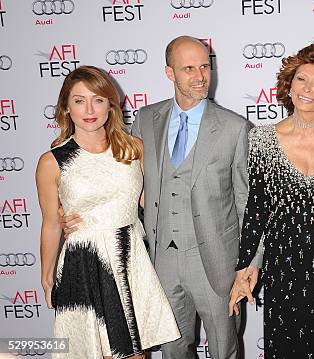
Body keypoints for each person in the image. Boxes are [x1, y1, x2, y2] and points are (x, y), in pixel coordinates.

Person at [62, 36, 261, 359]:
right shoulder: (145, 119)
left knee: (225, 350)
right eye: (188, 69)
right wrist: (74, 209)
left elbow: (248, 204)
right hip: (159, 262)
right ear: (170, 73)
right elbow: (117, 178)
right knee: (172, 349)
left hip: (217, 264)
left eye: (205, 67)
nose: (200, 76)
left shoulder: (234, 128)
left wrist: (248, 265)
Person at [228, 44, 314, 358]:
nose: (307, 89)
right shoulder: (261, 138)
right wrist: (245, 266)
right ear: (289, 85)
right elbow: (257, 208)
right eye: (301, 79)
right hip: (285, 259)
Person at [36, 65, 180, 359]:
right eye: (79, 100)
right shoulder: (52, 161)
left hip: (130, 260)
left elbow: (151, 205)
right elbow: (51, 224)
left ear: (110, 105)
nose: (89, 109)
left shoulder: (134, 149)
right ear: (66, 107)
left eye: (98, 99)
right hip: (83, 265)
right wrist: (47, 275)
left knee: (133, 354)